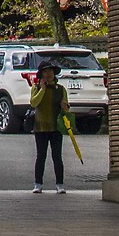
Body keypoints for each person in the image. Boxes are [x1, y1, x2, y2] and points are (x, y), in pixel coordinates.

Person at [29, 54, 71, 194]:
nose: (48, 74)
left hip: (56, 127)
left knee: (57, 156)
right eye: (45, 72)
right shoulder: (36, 88)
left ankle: (60, 184)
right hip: (40, 127)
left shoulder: (60, 89)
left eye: (50, 71)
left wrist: (65, 107)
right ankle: (38, 183)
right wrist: (42, 89)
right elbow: (34, 103)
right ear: (41, 75)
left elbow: (66, 107)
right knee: (41, 156)